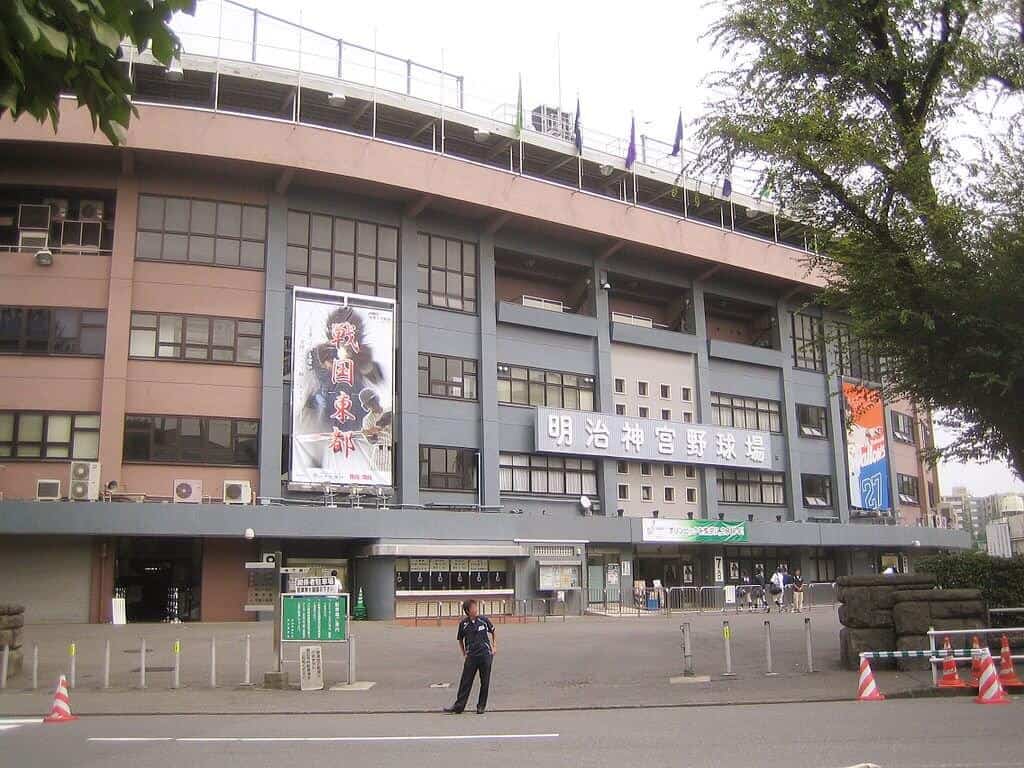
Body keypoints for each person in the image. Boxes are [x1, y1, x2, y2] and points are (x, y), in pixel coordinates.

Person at [444, 599, 497, 715]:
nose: (475, 609)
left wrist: (494, 647)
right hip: (471, 656)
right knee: (465, 681)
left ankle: (481, 706)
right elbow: (460, 639)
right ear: (468, 611)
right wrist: (464, 653)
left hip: (485, 655)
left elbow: (493, 631)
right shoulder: (463, 624)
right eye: (473, 608)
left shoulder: (483, 620)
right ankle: (459, 706)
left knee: (485, 682)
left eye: (476, 607)